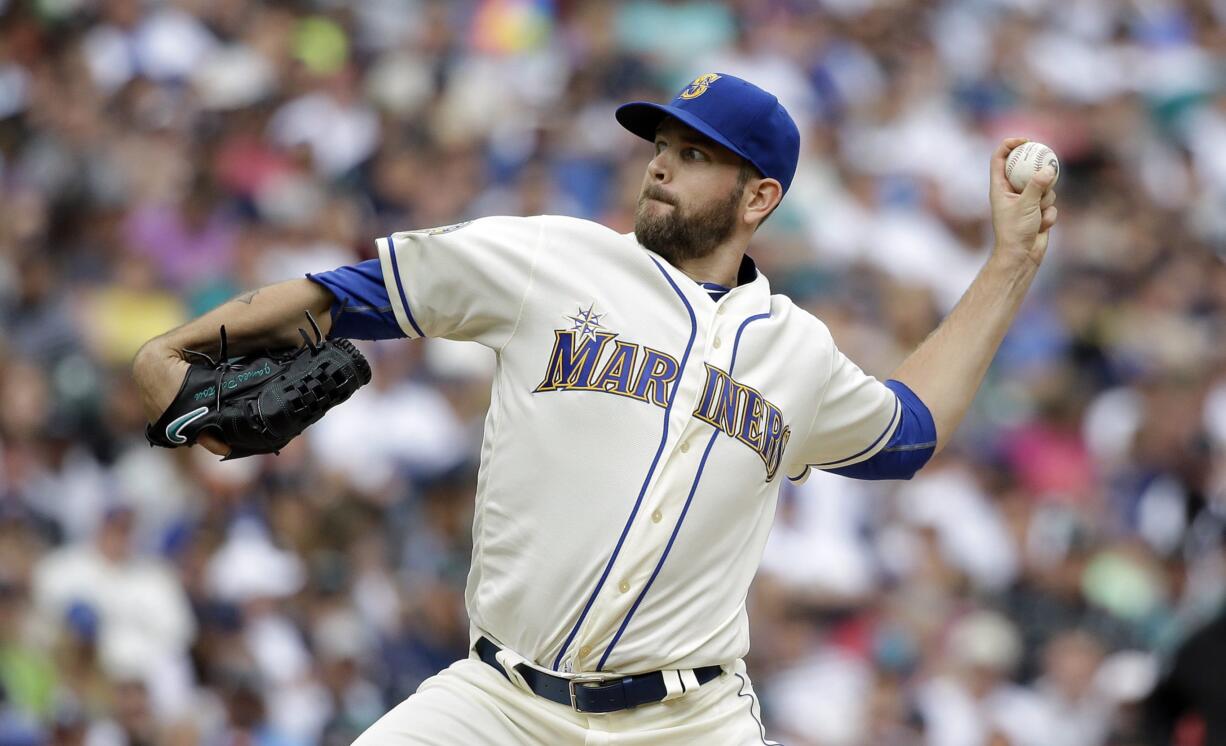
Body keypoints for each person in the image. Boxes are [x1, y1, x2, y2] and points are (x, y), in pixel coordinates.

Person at [132, 73, 1058, 744]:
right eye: (661, 147)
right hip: (495, 706)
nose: (661, 168)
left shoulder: (799, 353)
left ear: (758, 197)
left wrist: (1010, 262)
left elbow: (909, 434)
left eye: (696, 156)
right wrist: (171, 351)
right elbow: (347, 294)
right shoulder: (555, 259)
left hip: (687, 722)